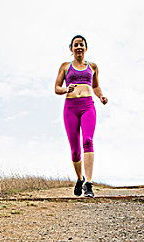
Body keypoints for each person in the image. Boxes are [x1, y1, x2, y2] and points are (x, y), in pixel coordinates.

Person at [55, 35, 108, 197]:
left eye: (81, 45)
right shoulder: (65, 66)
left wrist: (101, 96)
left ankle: (89, 184)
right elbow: (57, 88)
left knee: (88, 141)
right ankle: (80, 178)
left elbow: (96, 86)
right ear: (71, 49)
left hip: (87, 106)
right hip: (70, 108)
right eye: (76, 45)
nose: (79, 47)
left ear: (86, 48)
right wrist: (66, 89)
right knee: (75, 151)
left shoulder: (92, 67)